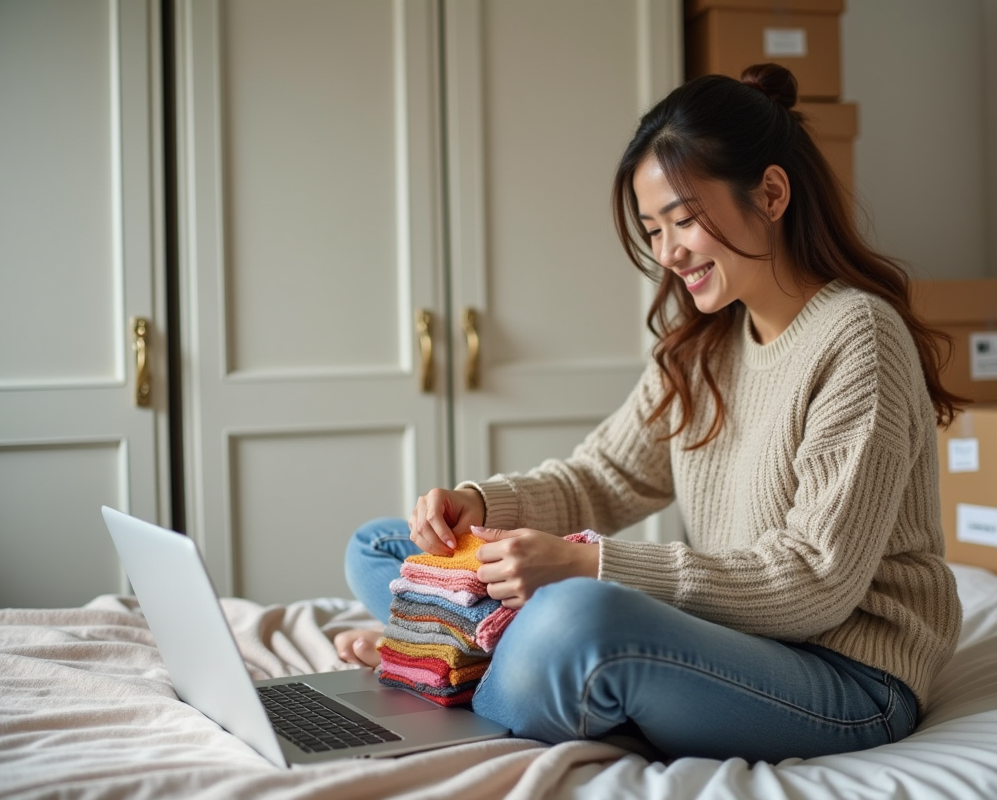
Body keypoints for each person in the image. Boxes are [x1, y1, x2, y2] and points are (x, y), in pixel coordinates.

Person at [336, 63, 964, 763]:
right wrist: (477, 505)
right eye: (652, 230)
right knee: (385, 546)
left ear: (773, 193)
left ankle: (440, 668)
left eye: (684, 222)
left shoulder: (858, 336)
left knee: (578, 617)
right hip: (738, 641)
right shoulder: (703, 344)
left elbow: (815, 585)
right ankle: (460, 652)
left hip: (846, 676)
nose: (668, 253)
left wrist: (589, 565)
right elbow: (600, 479)